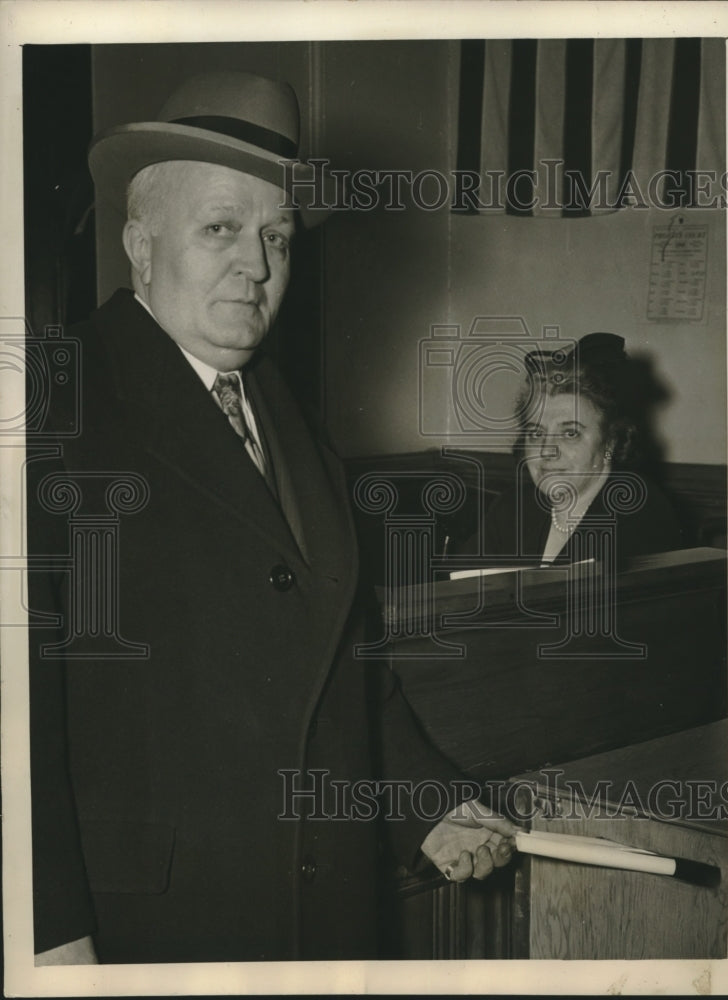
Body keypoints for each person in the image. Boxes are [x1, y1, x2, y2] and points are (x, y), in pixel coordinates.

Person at [27, 71, 518, 966]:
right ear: (140, 244)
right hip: (146, 929)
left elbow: (342, 661)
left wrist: (426, 804)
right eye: (220, 228)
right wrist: (46, 935)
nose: (255, 265)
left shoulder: (287, 418)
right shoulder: (52, 413)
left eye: (277, 238)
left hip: (321, 912)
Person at [463, 333, 682, 565]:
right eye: (536, 433)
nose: (547, 451)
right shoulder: (512, 509)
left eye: (570, 433)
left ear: (611, 441)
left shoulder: (642, 515)